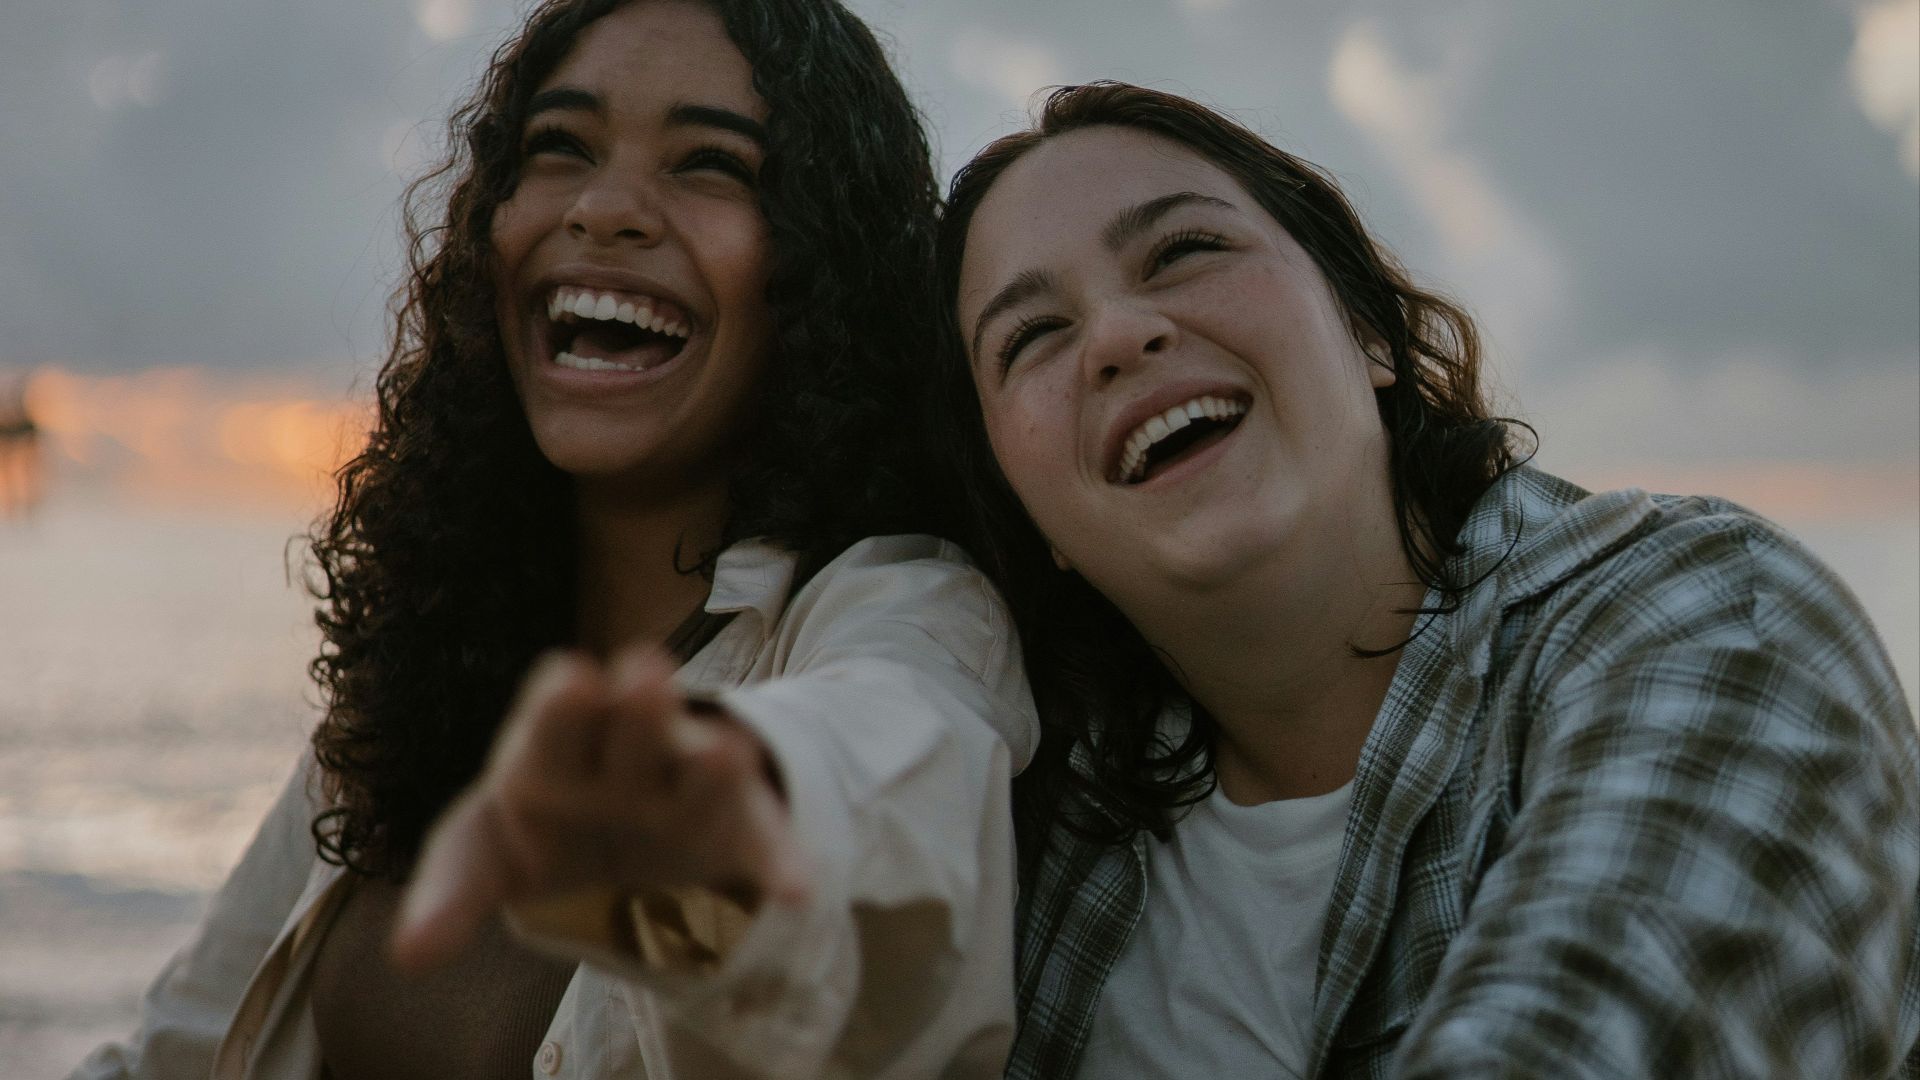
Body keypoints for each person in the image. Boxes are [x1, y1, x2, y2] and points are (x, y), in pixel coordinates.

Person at [71, 2, 1034, 1078]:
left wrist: (724, 822)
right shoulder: (422, 673)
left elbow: (892, 793)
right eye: (560, 147)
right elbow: (175, 1053)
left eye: (710, 163)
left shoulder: (903, 611)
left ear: (826, 259)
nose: (606, 207)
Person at [932, 81, 1920, 1079]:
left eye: (1185, 250)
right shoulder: (1014, 818)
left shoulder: (1703, 620)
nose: (1115, 337)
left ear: (1367, 331)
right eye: (1031, 338)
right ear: (1023, 510)